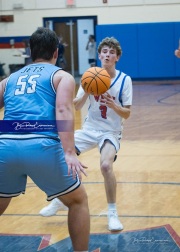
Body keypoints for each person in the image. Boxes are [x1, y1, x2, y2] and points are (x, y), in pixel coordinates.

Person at [0, 27, 90, 252]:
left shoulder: (9, 79)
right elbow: (63, 110)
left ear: (30, 51)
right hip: (41, 145)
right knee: (77, 201)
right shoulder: (61, 76)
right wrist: (69, 152)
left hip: (6, 145)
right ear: (56, 52)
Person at [39, 37, 133, 232]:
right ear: (99, 55)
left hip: (111, 131)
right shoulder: (90, 75)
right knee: (63, 157)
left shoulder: (125, 80)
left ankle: (112, 212)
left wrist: (114, 105)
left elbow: (128, 113)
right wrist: (86, 92)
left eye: (112, 52)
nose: (108, 54)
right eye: (105, 51)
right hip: (90, 130)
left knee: (106, 166)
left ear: (117, 57)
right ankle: (60, 200)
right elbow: (77, 105)